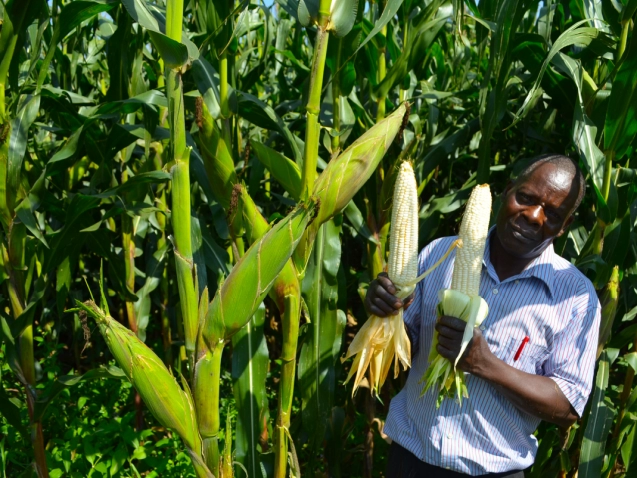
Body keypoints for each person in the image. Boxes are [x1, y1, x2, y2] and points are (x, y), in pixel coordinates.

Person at [366, 154, 601, 477]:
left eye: (553, 213)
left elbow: (567, 407)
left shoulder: (574, 297)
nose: (533, 216)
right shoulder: (439, 255)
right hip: (410, 460)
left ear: (565, 226)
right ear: (507, 191)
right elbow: (403, 350)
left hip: (493, 472)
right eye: (526, 198)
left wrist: (484, 364)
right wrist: (384, 311)